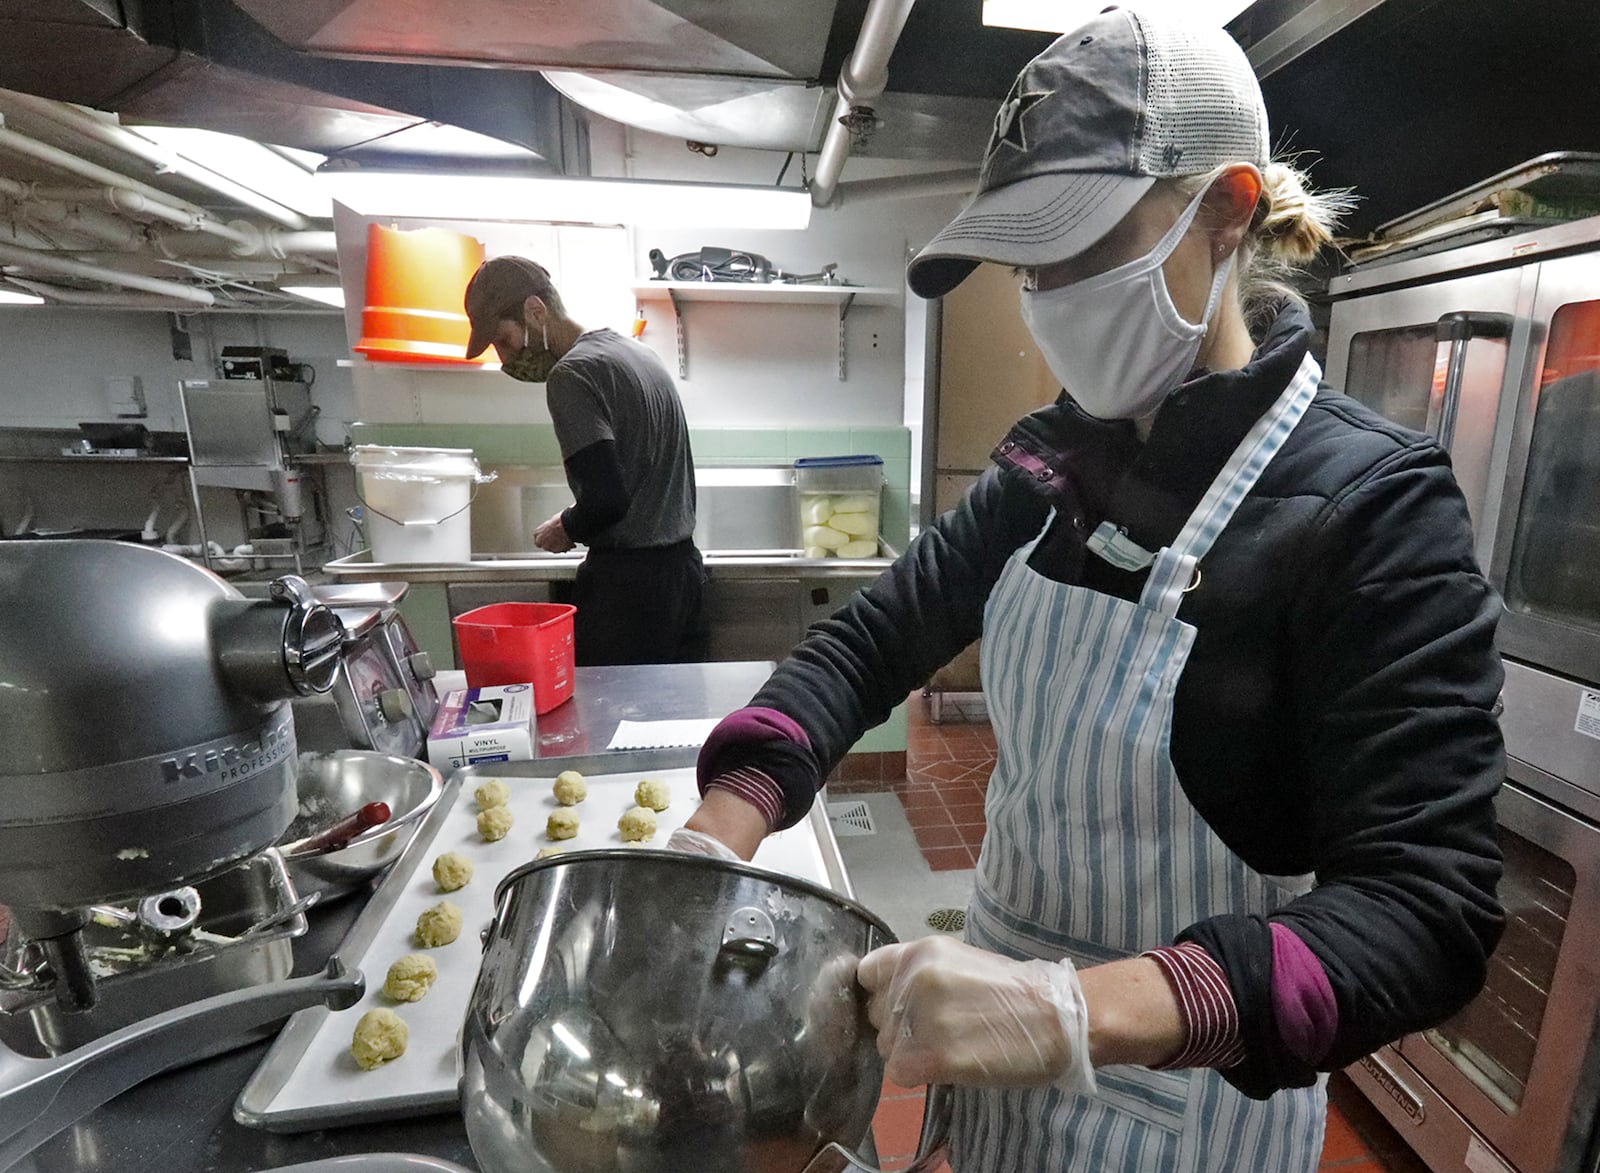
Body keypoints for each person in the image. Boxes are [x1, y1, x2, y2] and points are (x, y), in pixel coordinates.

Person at [667, 8, 1506, 1170]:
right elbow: (871, 642)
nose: (1048, 293)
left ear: (1225, 207)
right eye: (1029, 264)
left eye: (1084, 248)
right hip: (996, 1092)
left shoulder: (1368, 503)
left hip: (1193, 1115)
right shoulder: (1046, 461)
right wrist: (715, 837)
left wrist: (1065, 1015)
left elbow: (1428, 906)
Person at [464, 256, 704, 666]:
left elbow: (607, 499)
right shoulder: (637, 353)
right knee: (672, 721)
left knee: (612, 721)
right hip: (684, 577)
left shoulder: (571, 375)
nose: (504, 359)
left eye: (503, 340)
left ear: (535, 311)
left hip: (630, 592)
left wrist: (566, 527)